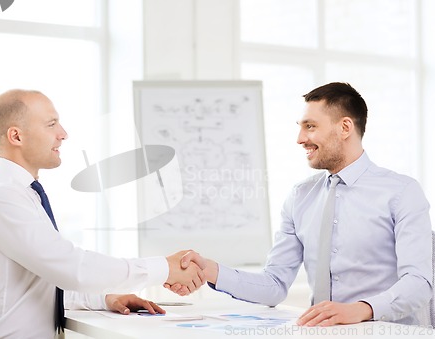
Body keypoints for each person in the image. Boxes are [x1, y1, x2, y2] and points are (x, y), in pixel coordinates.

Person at [168, 82, 433, 327]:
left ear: (344, 128)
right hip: (322, 333)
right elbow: (274, 285)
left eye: (310, 126)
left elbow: (419, 284)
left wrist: (361, 309)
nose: (299, 138)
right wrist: (211, 271)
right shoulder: (300, 196)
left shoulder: (402, 192)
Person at [0, 89, 205, 338]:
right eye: (51, 124)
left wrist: (105, 298)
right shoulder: (1, 197)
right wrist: (164, 268)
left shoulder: (19, 192)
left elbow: (44, 280)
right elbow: (72, 268)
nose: (63, 134)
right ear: (16, 136)